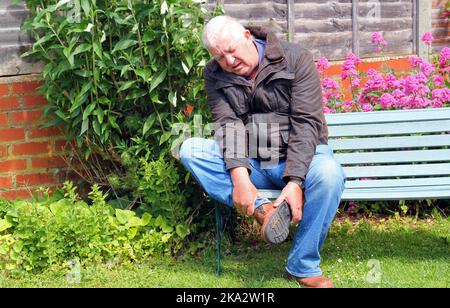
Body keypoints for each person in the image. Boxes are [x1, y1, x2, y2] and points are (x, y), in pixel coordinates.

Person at [179, 15, 346, 288]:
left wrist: (295, 181)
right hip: (254, 163)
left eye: (232, 51)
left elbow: (306, 124)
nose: (229, 62)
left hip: (299, 160)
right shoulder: (215, 74)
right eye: (221, 58)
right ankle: (263, 211)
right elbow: (227, 124)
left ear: (247, 36)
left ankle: (301, 265)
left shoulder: (296, 58)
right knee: (190, 149)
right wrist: (240, 180)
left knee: (329, 173)